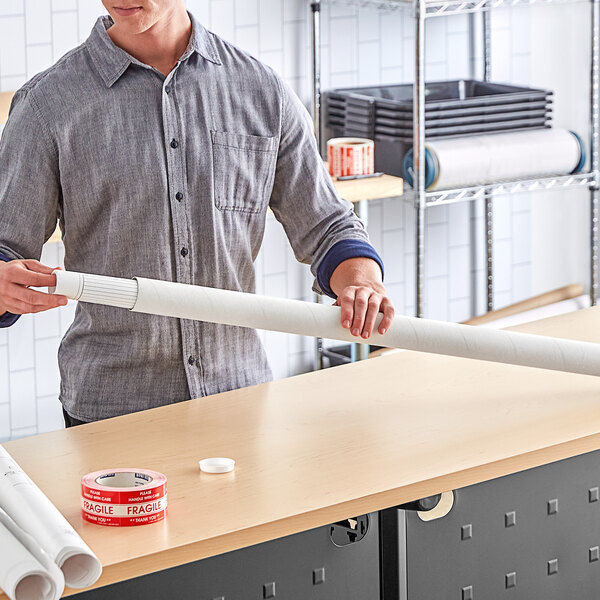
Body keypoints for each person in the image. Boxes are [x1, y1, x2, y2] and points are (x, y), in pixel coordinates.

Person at [0, 0, 394, 426]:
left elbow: (328, 224)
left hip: (238, 398)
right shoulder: (47, 104)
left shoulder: (261, 90)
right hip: (111, 413)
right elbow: (6, 246)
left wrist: (361, 281)